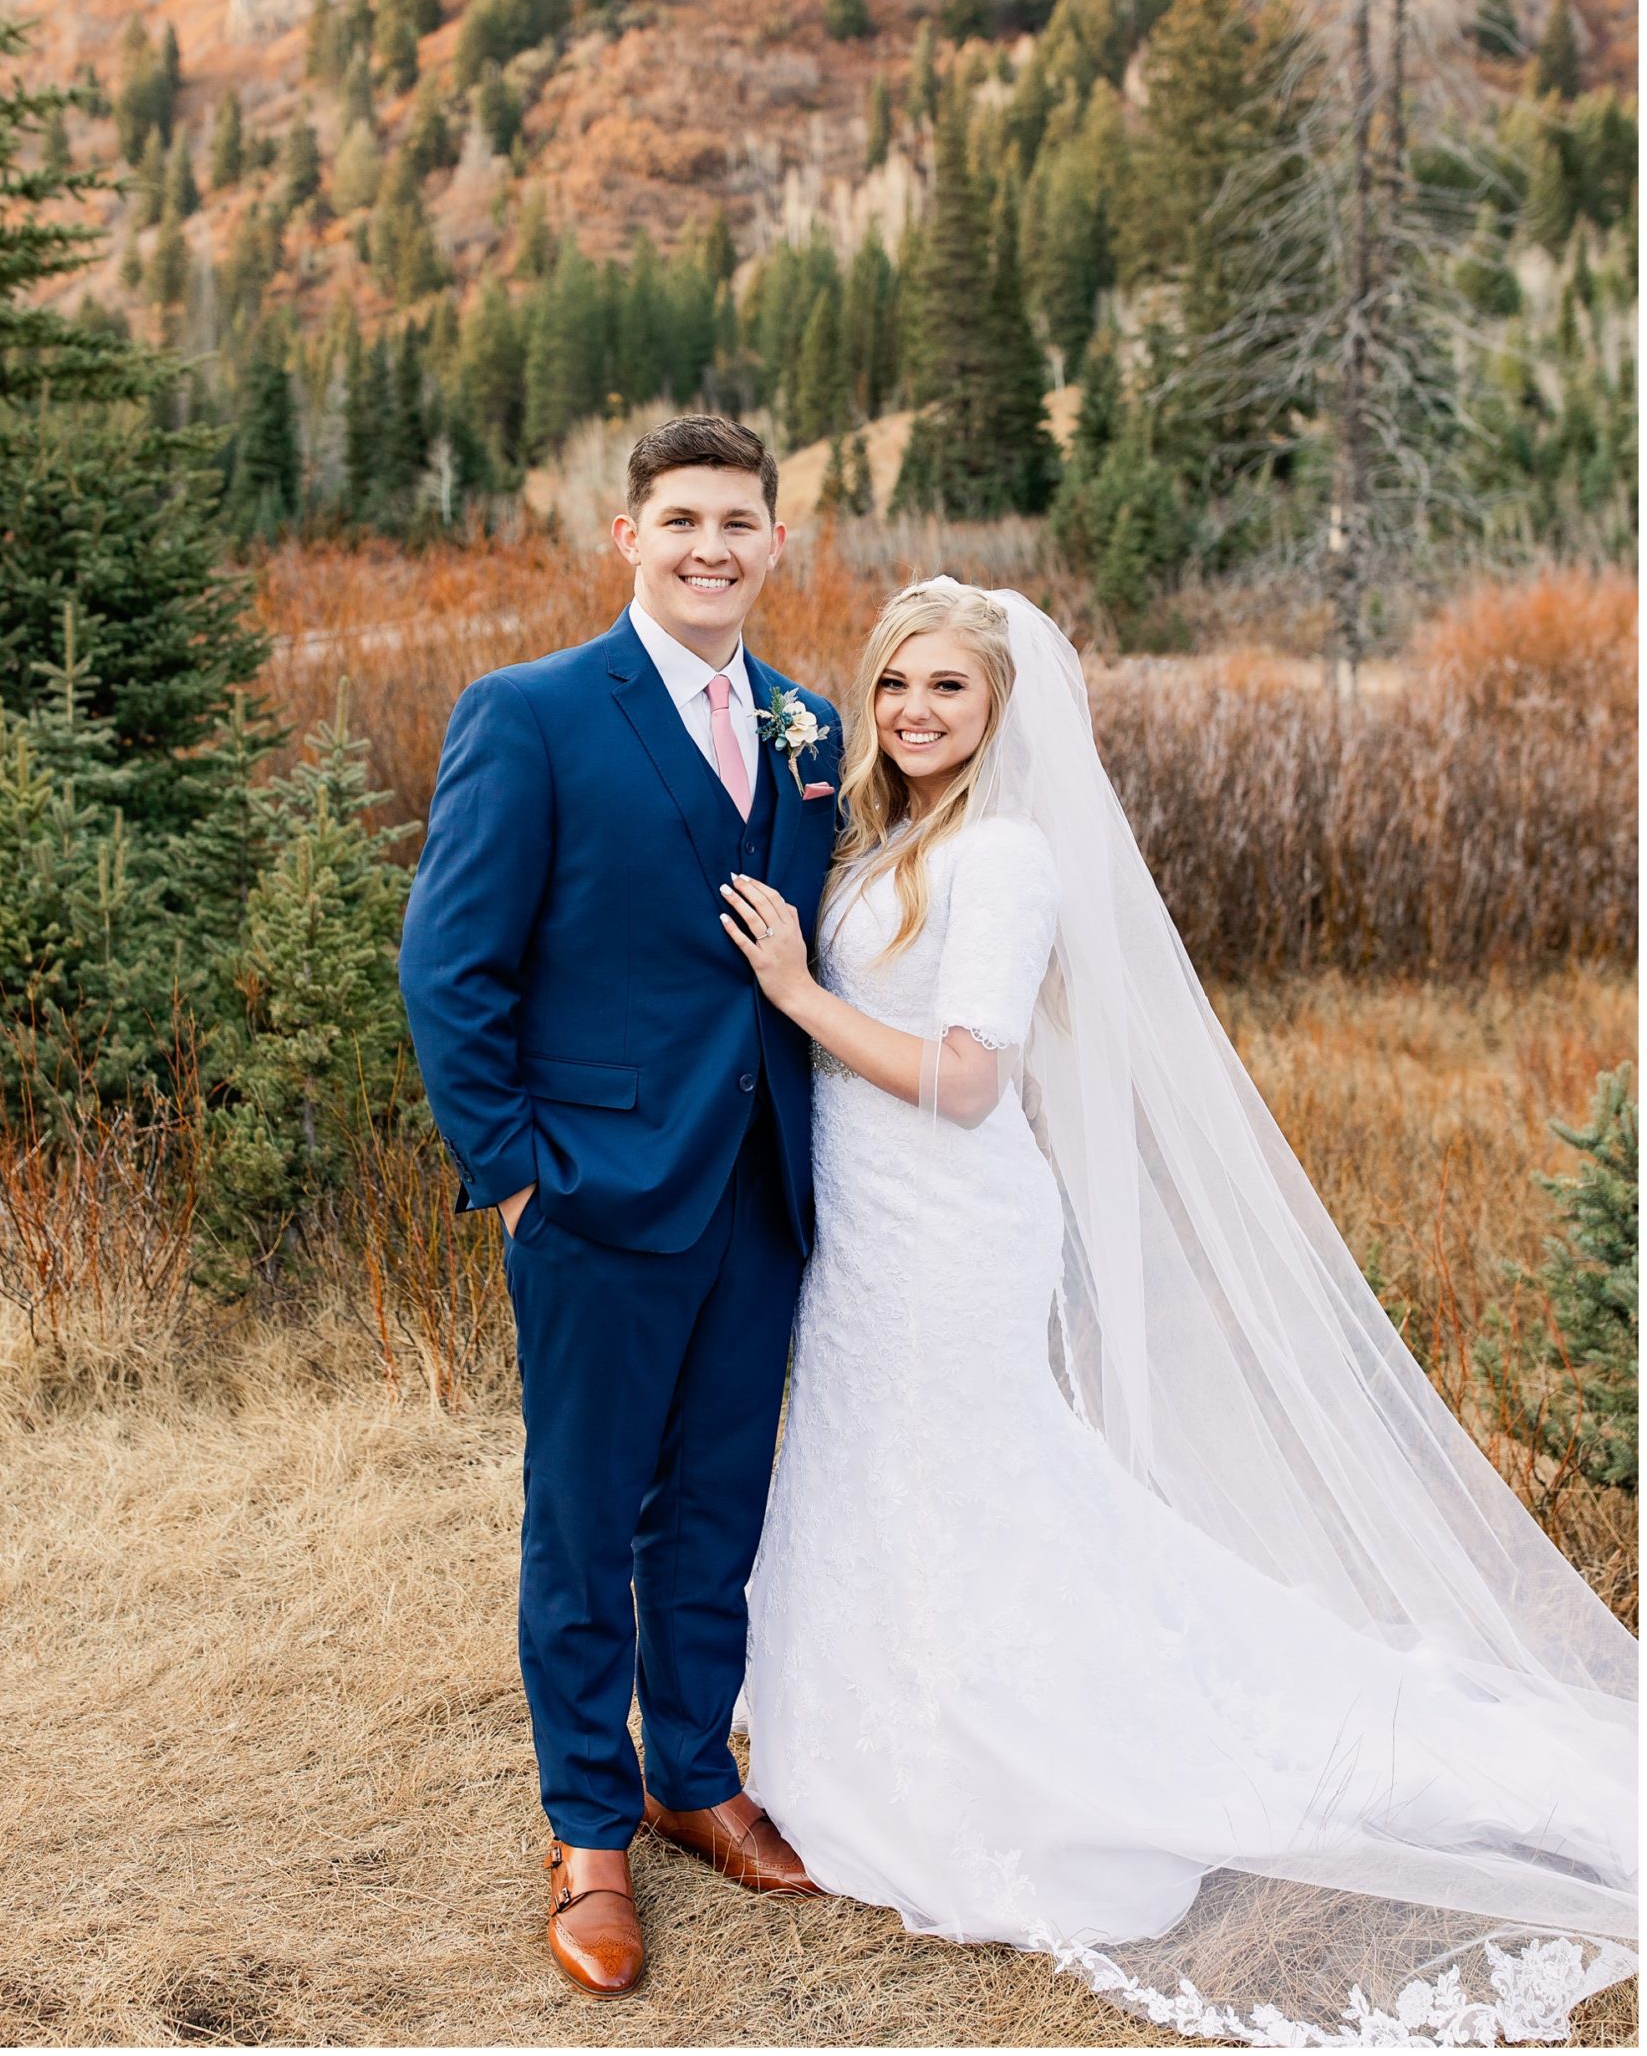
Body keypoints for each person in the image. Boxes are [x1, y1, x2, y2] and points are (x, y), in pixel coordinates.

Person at [722, 577, 1638, 2049]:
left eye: (948, 689)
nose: (913, 711)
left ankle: (1033, 1752)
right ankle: (875, 1729)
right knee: (876, 1474)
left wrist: (793, 989)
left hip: (953, 1232)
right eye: (896, 684)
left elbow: (968, 1079)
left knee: (973, 1482)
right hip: (868, 1236)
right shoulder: (884, 838)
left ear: (1000, 708)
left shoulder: (1006, 857)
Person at [397, 416, 842, 1998]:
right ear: (627, 537)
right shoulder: (527, 715)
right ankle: (588, 1828)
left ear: (776, 543)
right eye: (683, 519)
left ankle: (692, 1777)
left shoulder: (811, 725)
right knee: (584, 1519)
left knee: (718, 1500)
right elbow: (449, 971)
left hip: (760, 1188)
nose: (712, 545)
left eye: (740, 520)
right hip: (589, 1192)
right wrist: (514, 1176)